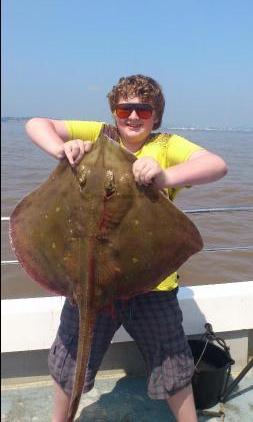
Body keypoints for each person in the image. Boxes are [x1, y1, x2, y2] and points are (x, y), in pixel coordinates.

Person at [25, 74, 228, 422]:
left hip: (153, 285)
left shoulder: (166, 146)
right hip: (85, 281)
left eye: (143, 109)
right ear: (114, 112)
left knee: (172, 361)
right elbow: (36, 124)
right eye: (124, 108)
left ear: (156, 116)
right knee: (71, 359)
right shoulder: (97, 136)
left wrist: (164, 176)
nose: (133, 116)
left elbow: (216, 166)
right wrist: (61, 149)